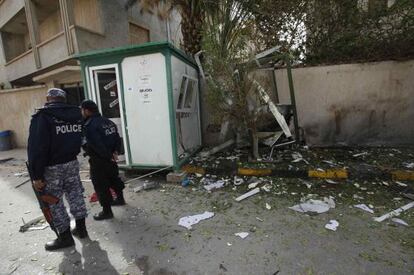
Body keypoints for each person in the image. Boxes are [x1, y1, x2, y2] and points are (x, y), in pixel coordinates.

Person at [27, 88, 88, 251]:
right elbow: (82, 138)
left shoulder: (43, 117)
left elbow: (37, 148)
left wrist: (36, 175)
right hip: (72, 163)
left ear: (48, 98)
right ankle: (82, 229)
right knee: (75, 194)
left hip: (51, 167)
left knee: (54, 201)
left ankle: (65, 238)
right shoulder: (77, 115)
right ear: (63, 99)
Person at [80, 100, 125, 221]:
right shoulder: (108, 122)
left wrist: (107, 156)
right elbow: (117, 138)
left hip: (99, 160)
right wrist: (115, 152)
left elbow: (96, 145)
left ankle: (107, 211)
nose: (81, 112)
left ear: (87, 111)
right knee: (114, 178)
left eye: (82, 110)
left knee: (101, 185)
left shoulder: (89, 126)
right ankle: (120, 199)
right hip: (111, 158)